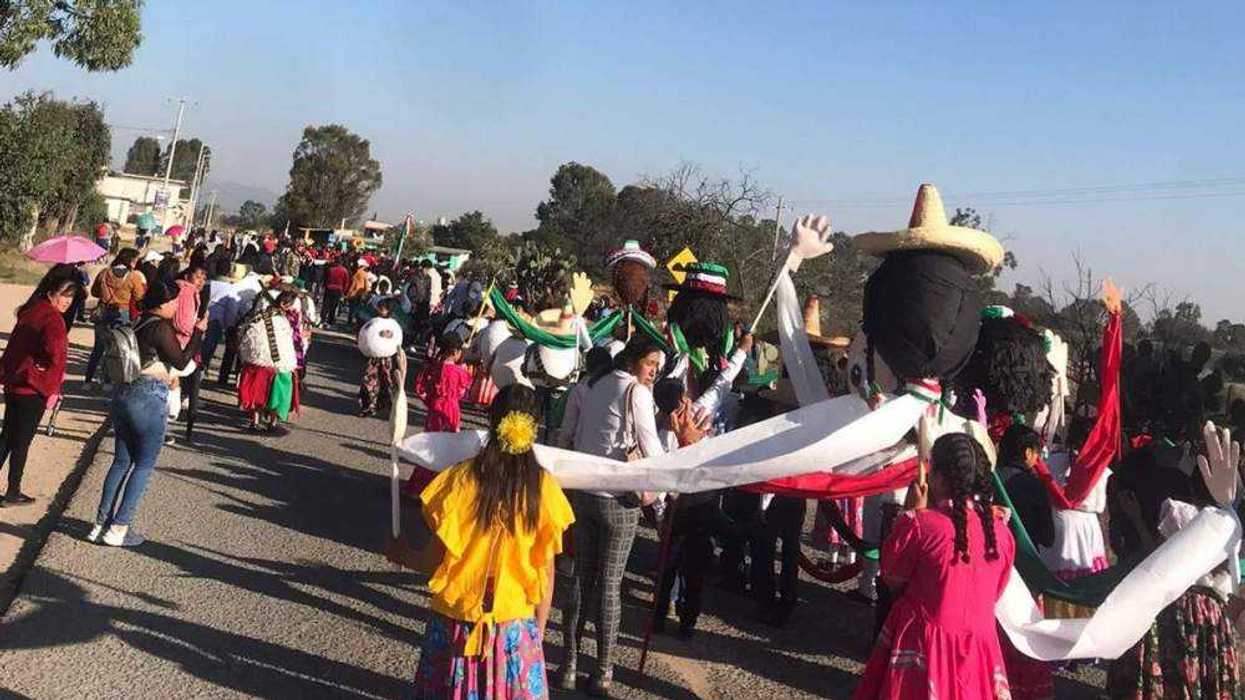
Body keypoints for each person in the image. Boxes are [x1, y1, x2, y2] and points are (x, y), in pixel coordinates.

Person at [412, 384, 574, 699]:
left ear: (492, 421)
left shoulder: (459, 479)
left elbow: (433, 559)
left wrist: (402, 553)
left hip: (457, 622)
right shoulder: (543, 490)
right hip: (514, 625)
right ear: (534, 428)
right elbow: (546, 572)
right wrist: (537, 632)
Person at [853, 432, 1015, 700]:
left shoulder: (920, 525)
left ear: (937, 476)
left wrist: (912, 513)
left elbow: (892, 576)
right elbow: (996, 591)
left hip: (926, 645)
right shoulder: (1001, 533)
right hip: (979, 646)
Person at [560, 337, 666, 696]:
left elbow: (573, 435)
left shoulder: (592, 383)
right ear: (635, 360)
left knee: (580, 579)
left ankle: (569, 664)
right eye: (651, 363)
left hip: (584, 494)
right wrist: (667, 490)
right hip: (619, 501)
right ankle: (603, 671)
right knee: (609, 586)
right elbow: (651, 447)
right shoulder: (637, 392)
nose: (654, 371)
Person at [88, 281, 205, 547]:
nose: (177, 306)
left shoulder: (137, 321)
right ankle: (119, 528)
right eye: (174, 302)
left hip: (123, 393)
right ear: (163, 304)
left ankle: (100, 524)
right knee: (143, 464)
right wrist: (198, 333)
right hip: (148, 396)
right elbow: (182, 361)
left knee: (120, 462)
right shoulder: (160, 327)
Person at [0, 266, 80, 505]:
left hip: (15, 382)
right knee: (21, 442)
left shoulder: (31, 311)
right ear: (50, 293)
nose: (66, 301)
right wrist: (51, 385)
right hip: (32, 387)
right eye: (63, 295)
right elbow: (56, 355)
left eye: (70, 296)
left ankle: (13, 489)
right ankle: (13, 490)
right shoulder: (53, 320)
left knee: (7, 438)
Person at [237, 290, 301, 432]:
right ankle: (272, 422)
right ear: (284, 304)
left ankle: (255, 421)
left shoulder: (259, 317)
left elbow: (246, 335)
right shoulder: (283, 321)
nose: (293, 309)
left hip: (255, 361)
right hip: (279, 364)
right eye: (291, 306)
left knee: (257, 390)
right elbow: (287, 342)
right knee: (278, 390)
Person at [84, 248, 147, 387]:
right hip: (122, 314)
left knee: (98, 348)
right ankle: (108, 381)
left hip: (103, 312)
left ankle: (87, 381)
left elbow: (95, 292)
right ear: (130, 261)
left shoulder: (104, 273)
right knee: (116, 349)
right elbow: (139, 297)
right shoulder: (133, 277)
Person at [358, 300, 402, 417]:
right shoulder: (374, 322)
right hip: (373, 359)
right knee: (369, 381)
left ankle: (384, 404)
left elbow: (395, 338)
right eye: (379, 308)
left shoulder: (392, 324)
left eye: (382, 308)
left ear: (388, 310)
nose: (379, 310)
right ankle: (368, 406)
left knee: (386, 381)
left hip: (387, 359)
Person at [323, 257, 349, 326]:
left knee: (326, 305)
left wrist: (325, 286)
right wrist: (344, 291)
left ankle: (323, 318)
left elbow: (326, 279)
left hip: (329, 288)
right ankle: (330, 321)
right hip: (338, 290)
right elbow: (346, 282)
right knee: (334, 306)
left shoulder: (330, 269)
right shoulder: (344, 270)